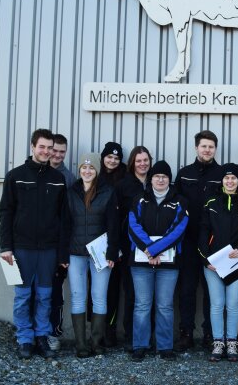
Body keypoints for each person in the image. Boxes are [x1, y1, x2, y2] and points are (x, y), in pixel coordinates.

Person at [0, 128, 69, 359]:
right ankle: (25, 339)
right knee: (22, 296)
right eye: (42, 147)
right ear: (32, 147)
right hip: (21, 248)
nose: (47, 151)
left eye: (50, 148)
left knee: (45, 296)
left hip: (48, 249)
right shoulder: (15, 175)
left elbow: (63, 218)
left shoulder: (58, 179)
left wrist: (62, 254)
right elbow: (6, 212)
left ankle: (41, 336)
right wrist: (5, 247)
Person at [127, 161, 189, 361]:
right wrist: (148, 250)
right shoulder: (139, 199)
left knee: (164, 305)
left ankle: (164, 347)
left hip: (169, 263)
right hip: (140, 261)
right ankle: (140, 345)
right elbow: (132, 226)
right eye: (156, 176)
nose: (160, 179)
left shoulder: (180, 201)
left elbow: (178, 230)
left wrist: (154, 250)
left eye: (164, 176)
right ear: (150, 179)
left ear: (169, 180)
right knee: (142, 305)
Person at [174, 130, 223, 351]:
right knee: (187, 289)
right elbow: (173, 206)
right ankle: (186, 332)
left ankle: (210, 333)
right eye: (203, 146)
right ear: (196, 148)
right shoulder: (184, 174)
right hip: (188, 241)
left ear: (215, 149)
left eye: (211, 147)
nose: (207, 150)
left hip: (214, 243)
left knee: (212, 290)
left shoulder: (222, 174)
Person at [67, 153, 119, 357]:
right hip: (75, 253)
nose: (87, 171)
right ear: (79, 170)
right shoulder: (71, 192)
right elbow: (65, 224)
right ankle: (81, 344)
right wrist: (63, 254)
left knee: (99, 296)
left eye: (91, 168)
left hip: (100, 254)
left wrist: (113, 252)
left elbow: (113, 225)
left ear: (97, 171)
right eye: (83, 168)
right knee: (78, 296)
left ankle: (96, 342)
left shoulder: (107, 192)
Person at [199, 164, 238, 362]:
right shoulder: (211, 203)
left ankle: (232, 342)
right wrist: (206, 259)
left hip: (236, 263)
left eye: (234, 178)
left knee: (232, 304)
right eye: (226, 178)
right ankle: (218, 343)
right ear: (222, 181)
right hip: (213, 264)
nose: (230, 182)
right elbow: (203, 232)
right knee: (216, 304)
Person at [114, 146, 153, 350]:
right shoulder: (123, 186)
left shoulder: (156, 182)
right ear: (132, 163)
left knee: (150, 293)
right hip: (130, 247)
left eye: (146, 160)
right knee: (132, 293)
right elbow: (117, 218)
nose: (142, 164)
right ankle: (132, 335)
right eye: (138, 161)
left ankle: (150, 335)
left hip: (155, 248)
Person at [43, 133, 75, 352]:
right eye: (54, 150)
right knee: (33, 291)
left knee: (55, 292)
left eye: (62, 152)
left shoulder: (69, 179)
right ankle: (33, 333)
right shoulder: (33, 173)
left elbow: (69, 218)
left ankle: (53, 333)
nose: (57, 154)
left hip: (58, 247)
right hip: (34, 244)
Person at [98, 141, 127, 346]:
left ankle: (110, 328)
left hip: (119, 240)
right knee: (98, 287)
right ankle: (97, 329)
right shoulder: (95, 176)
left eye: (116, 158)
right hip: (97, 241)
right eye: (109, 157)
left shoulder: (124, 179)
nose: (112, 161)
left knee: (114, 286)